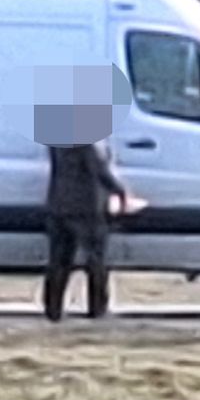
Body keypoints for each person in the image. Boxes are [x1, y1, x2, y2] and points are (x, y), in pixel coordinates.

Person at [41, 130, 127, 323]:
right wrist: (120, 191)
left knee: (59, 261)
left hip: (58, 203)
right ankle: (97, 308)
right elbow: (98, 170)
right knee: (95, 259)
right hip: (86, 206)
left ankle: (53, 309)